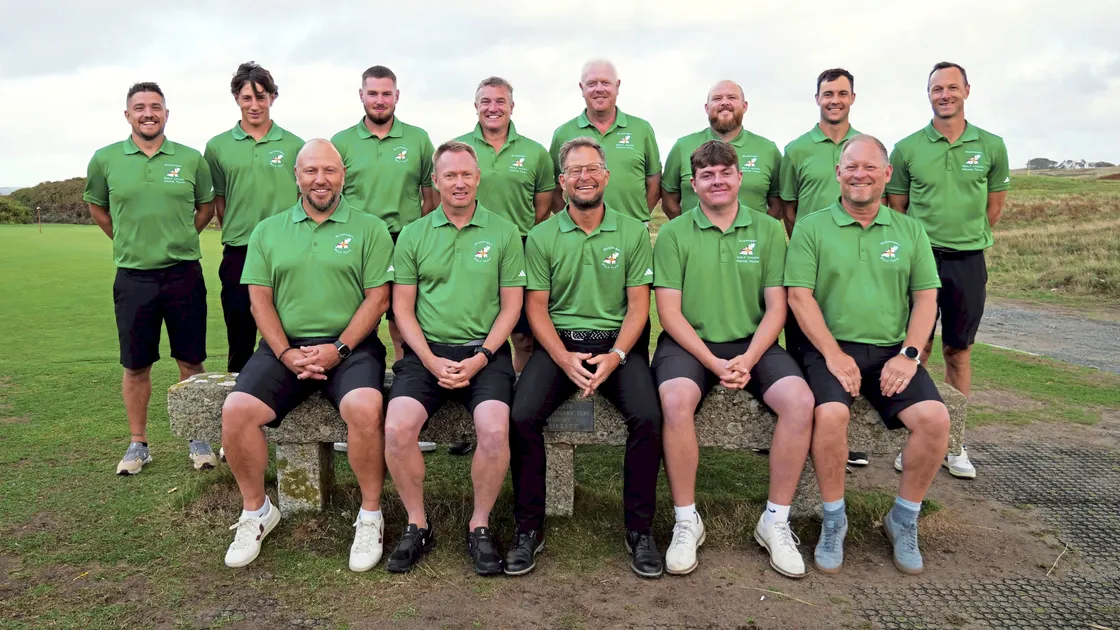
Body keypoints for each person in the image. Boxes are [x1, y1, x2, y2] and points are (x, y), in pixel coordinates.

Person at [219, 139, 395, 571]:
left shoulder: (369, 228)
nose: (321, 179)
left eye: (330, 171)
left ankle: (370, 515)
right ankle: (256, 512)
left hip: (350, 349)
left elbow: (377, 299)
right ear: (296, 176)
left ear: (343, 175)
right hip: (284, 349)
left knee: (365, 406)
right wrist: (284, 352)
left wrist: (337, 349)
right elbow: (259, 299)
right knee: (237, 410)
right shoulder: (268, 229)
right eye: (311, 171)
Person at [786, 134, 951, 576]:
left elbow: (925, 299)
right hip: (826, 348)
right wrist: (834, 355)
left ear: (886, 174)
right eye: (851, 166)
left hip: (888, 353)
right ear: (838, 173)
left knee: (935, 419)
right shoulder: (812, 226)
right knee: (833, 415)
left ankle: (903, 518)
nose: (860, 174)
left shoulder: (909, 229)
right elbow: (799, 297)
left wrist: (910, 354)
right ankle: (834, 518)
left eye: (870, 167)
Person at [652, 140, 815, 578]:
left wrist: (747, 357)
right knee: (674, 401)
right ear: (694, 184)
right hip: (689, 344)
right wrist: (711, 362)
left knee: (800, 402)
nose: (717, 181)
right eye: (707, 175)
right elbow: (668, 313)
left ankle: (775, 521)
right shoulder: (672, 234)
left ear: (740, 177)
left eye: (725, 172)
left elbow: (777, 308)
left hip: (753, 342)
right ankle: (687, 521)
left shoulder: (767, 229)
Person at [508, 137, 663, 578]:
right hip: (560, 344)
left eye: (592, 168)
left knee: (649, 417)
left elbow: (638, 307)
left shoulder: (632, 231)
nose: (584, 177)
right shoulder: (541, 236)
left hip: (615, 343)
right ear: (562, 181)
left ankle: (639, 530)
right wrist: (562, 358)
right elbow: (536, 307)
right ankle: (528, 529)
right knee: (521, 416)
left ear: (606, 175)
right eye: (574, 170)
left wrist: (615, 355)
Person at [381, 141, 525, 576]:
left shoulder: (503, 232)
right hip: (426, 354)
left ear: (478, 177)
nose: (459, 183)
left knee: (496, 431)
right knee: (398, 427)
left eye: (466, 174)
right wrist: (426, 359)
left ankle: (479, 524)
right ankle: (417, 524)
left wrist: (482, 357)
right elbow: (402, 308)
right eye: (450, 176)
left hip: (486, 354)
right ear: (436, 182)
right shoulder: (414, 234)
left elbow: (511, 307)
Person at [83, 82, 218, 475]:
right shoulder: (105, 159)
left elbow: (205, 207)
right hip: (133, 278)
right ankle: (138, 443)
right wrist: (129, 242)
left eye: (155, 107)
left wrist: (177, 239)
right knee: (136, 365)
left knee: (191, 361)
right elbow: (98, 207)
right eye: (139, 107)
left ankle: (199, 436)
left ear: (166, 114)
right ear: (128, 115)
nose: (148, 113)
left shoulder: (191, 159)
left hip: (183, 274)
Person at [886, 62, 1009, 479]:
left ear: (967, 91)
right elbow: (898, 208)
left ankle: (955, 442)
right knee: (914, 350)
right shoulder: (906, 148)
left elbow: (993, 208)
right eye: (937, 88)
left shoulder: (991, 145)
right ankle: (915, 439)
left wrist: (965, 237)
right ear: (928, 94)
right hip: (919, 261)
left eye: (952, 87)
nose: (945, 94)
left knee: (959, 350)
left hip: (967, 261)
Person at [331, 65, 439, 455]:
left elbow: (430, 195)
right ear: (361, 95)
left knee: (404, 326)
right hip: (354, 243)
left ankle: (409, 414)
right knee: (354, 323)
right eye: (372, 93)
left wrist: (419, 238)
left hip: (403, 242)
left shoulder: (417, 139)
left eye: (386, 93)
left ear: (397, 96)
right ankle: (353, 419)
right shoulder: (341, 141)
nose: (380, 100)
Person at [777, 68, 867, 468]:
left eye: (842, 93)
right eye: (827, 93)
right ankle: (790, 425)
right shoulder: (797, 149)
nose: (835, 100)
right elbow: (788, 208)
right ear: (817, 98)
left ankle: (854, 433)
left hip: (855, 255)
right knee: (801, 343)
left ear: (852, 98)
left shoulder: (864, 147)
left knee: (852, 336)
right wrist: (809, 240)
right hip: (808, 254)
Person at [204, 62, 305, 374]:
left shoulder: (295, 145)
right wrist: (236, 230)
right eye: (247, 98)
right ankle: (240, 401)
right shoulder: (217, 147)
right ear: (236, 98)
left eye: (261, 97)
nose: (255, 105)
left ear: (273, 97)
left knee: (291, 332)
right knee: (241, 332)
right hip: (240, 251)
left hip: (288, 249)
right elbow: (219, 198)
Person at [455, 76, 555, 374]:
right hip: (470, 245)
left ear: (512, 106)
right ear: (476, 106)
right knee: (473, 329)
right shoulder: (459, 148)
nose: (493, 108)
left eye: (500, 101)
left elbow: (543, 204)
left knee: (524, 336)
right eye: (486, 101)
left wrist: (516, 234)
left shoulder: (535, 152)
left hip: (520, 247)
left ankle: (518, 398)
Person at [548, 59, 661, 224]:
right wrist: (573, 221)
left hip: (633, 229)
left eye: (605, 83)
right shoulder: (563, 133)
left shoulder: (642, 129)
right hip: (581, 231)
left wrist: (636, 221)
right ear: (582, 88)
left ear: (617, 86)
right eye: (592, 83)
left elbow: (654, 181)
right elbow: (553, 187)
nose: (599, 89)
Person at [661, 80, 782, 221]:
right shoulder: (682, 147)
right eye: (717, 98)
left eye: (732, 97)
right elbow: (669, 200)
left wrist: (759, 231)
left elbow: (779, 204)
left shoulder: (768, 150)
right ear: (706, 108)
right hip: (695, 241)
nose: (724, 102)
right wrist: (687, 228)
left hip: (750, 242)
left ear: (744, 106)